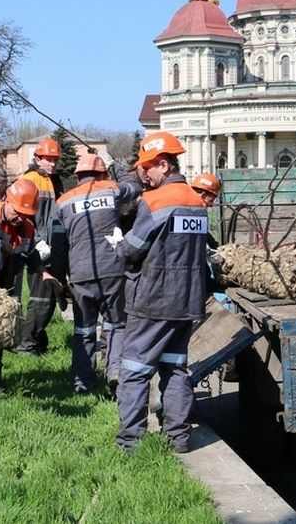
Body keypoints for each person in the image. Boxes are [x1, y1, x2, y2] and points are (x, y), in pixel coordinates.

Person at [110, 131, 208, 454]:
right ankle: (179, 439)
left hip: (152, 301)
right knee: (175, 368)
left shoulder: (154, 202)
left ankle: (130, 444)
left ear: (163, 165)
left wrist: (118, 244)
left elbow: (133, 249)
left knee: (135, 370)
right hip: (187, 301)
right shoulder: (197, 201)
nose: (144, 174)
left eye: (148, 168)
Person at [57, 153, 141, 397]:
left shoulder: (62, 202)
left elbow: (59, 243)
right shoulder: (111, 190)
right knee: (116, 325)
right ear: (103, 173)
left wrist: (60, 277)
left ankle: (82, 383)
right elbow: (134, 187)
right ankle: (115, 371)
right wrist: (118, 167)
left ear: (77, 176)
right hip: (113, 270)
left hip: (80, 274)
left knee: (83, 330)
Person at [0, 177, 48, 393]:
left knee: (0, 329)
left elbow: (26, 254)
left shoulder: (26, 227)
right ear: (7, 201)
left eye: (26, 214)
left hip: (6, 283)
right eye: (17, 211)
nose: (20, 218)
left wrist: (39, 263)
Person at [15, 137, 69, 355]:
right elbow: (26, 216)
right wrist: (36, 242)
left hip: (52, 247)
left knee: (47, 299)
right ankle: (26, 344)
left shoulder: (54, 181)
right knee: (42, 300)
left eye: (55, 159)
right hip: (38, 248)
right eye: (48, 159)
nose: (52, 163)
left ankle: (37, 341)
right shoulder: (30, 180)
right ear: (37, 158)